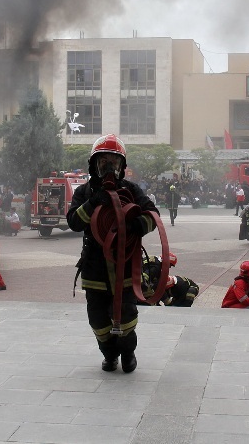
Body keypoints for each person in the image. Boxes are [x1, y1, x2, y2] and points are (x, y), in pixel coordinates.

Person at [67, 134, 159, 373]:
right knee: (97, 319)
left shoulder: (131, 190)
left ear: (122, 167)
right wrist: (92, 204)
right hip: (95, 268)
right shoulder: (85, 193)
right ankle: (110, 354)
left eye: (114, 163)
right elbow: (74, 222)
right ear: (94, 165)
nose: (109, 168)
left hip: (126, 265)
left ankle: (128, 353)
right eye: (103, 163)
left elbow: (152, 215)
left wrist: (135, 225)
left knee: (127, 316)